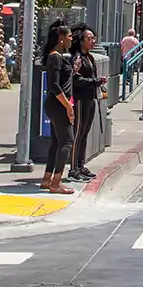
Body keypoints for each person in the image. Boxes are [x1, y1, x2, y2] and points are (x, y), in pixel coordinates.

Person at [38, 22, 76, 195]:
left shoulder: (58, 57)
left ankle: (47, 179)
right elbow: (54, 85)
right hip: (58, 104)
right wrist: (68, 106)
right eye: (69, 36)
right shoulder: (55, 57)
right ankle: (56, 182)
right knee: (67, 141)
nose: (71, 39)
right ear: (61, 39)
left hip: (55, 104)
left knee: (56, 142)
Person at [67, 25, 106, 182]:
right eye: (89, 39)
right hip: (81, 99)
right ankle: (73, 168)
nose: (93, 41)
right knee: (78, 133)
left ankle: (81, 165)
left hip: (90, 99)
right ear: (81, 41)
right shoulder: (77, 58)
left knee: (84, 133)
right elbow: (75, 79)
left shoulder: (89, 57)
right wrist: (95, 81)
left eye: (93, 38)